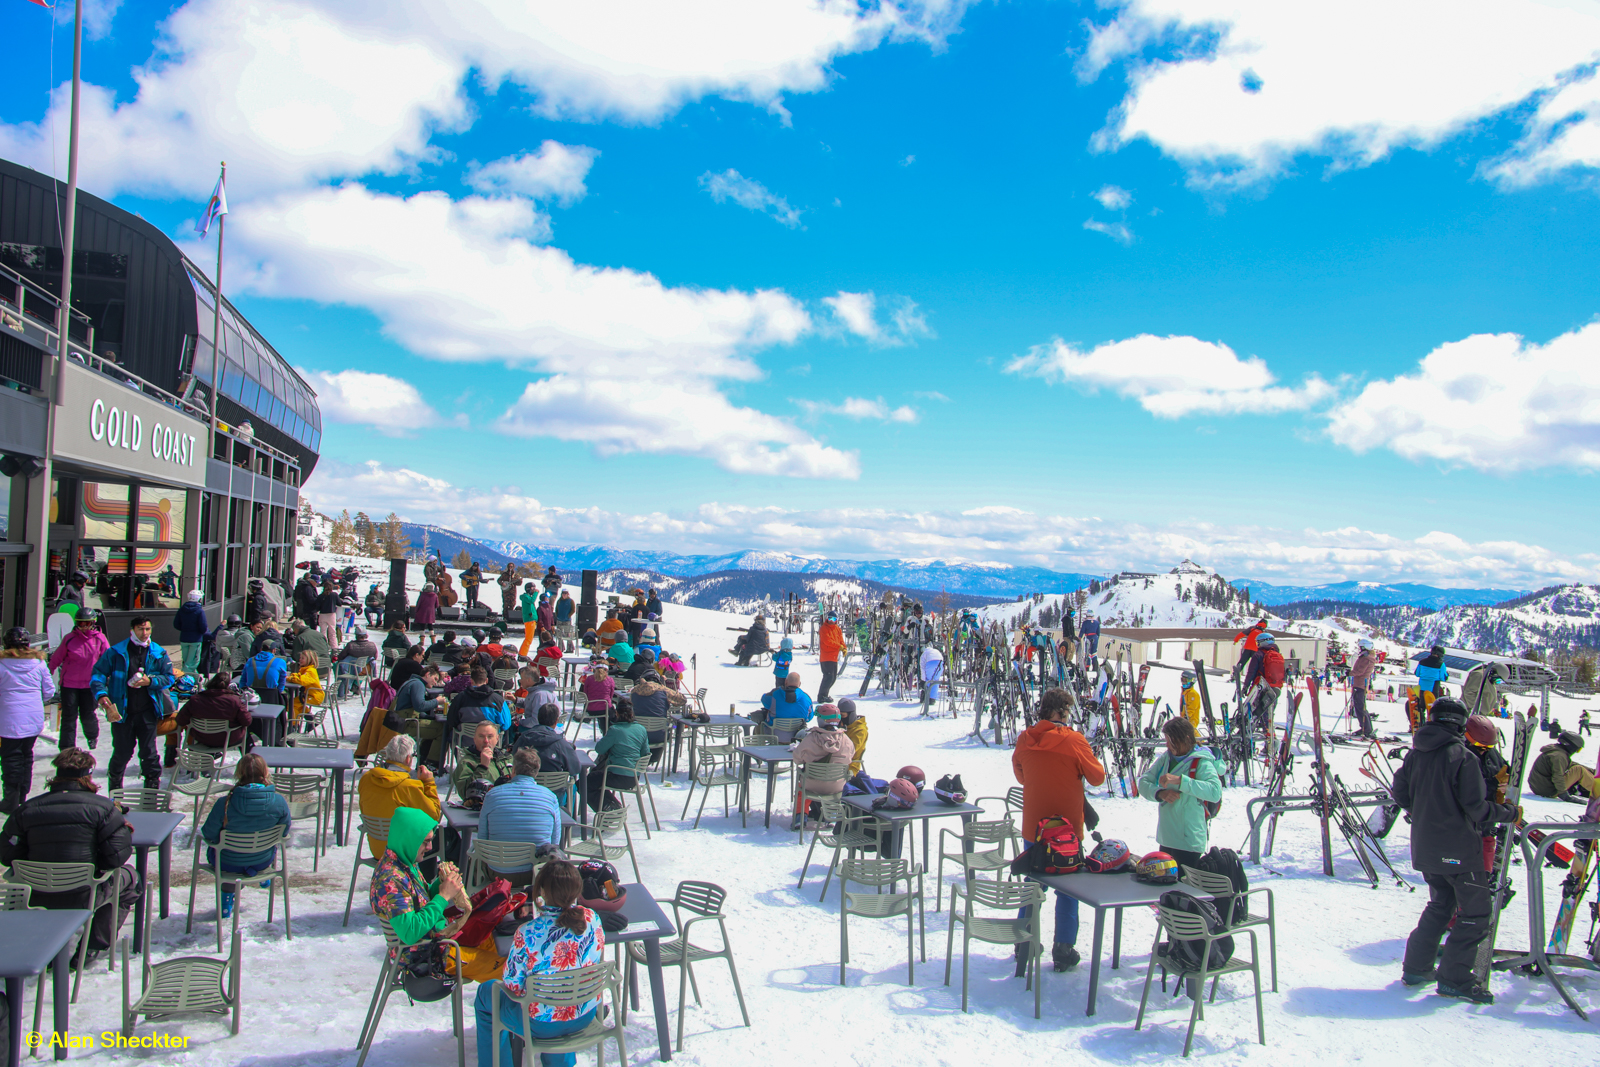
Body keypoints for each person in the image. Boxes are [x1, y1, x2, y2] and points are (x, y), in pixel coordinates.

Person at [1392, 697, 1518, 1003]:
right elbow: (1476, 808)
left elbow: (1400, 794)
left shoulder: (1415, 753)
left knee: (1440, 905)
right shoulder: (1461, 757)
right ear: (1461, 725)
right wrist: (1508, 813)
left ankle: (1417, 967)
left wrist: (1425, 814)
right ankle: (1455, 979)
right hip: (1461, 849)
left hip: (1426, 846)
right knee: (1476, 913)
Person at [0, 748, 141, 955]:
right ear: (88, 776)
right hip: (83, 893)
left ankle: (40, 949)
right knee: (131, 878)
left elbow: (7, 854)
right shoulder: (104, 809)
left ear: (57, 775)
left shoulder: (26, 809)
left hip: (34, 894)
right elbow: (115, 858)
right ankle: (92, 948)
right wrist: (124, 833)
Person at [475, 859, 604, 1067]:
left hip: (540, 1024)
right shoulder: (593, 919)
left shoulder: (528, 932)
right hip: (585, 1014)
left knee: (486, 993)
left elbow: (513, 986)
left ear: (541, 891)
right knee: (558, 996)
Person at [1012, 687, 1105, 973]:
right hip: (1066, 830)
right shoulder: (1073, 741)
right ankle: (1063, 948)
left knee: (1033, 887)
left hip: (1034, 829)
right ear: (1060, 712)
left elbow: (1020, 775)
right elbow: (1098, 777)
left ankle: (1023, 941)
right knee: (1068, 890)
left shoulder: (1025, 739)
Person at [370, 805, 503, 982]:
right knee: (507, 970)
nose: (430, 847)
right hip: (426, 955)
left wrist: (442, 884)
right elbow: (409, 933)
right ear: (409, 839)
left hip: (439, 939)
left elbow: (422, 901)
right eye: (425, 841)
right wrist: (443, 897)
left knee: (499, 945)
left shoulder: (405, 862)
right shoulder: (390, 880)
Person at [199, 753, 291, 918]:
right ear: (265, 773)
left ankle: (226, 901)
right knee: (268, 845)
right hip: (263, 859)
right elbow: (284, 831)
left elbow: (209, 833)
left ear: (239, 773)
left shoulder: (225, 803)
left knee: (222, 853)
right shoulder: (279, 802)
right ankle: (263, 875)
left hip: (228, 863)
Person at [92, 615, 175, 792]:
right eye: (140, 629)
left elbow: (168, 678)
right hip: (122, 712)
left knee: (149, 754)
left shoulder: (158, 652)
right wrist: (101, 694)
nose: (144, 633)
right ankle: (115, 793)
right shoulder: (116, 652)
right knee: (122, 753)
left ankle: (151, 794)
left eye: (147, 629)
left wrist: (150, 682)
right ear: (132, 630)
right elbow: (98, 674)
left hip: (147, 711)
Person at [1136, 717, 1221, 868]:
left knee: (1183, 888)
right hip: (1166, 838)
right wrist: (1160, 794)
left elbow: (1215, 792)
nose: (1167, 745)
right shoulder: (1167, 757)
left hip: (1188, 841)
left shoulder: (1202, 761)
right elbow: (1143, 782)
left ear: (1185, 739)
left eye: (1171, 740)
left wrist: (1181, 781)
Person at [359, 735, 442, 859]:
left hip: (376, 849)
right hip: (402, 852)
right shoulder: (409, 786)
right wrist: (429, 782)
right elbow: (435, 816)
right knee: (442, 837)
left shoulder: (366, 778)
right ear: (408, 759)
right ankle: (423, 878)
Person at [480, 748, 564, 870]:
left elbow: (483, 839)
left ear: (513, 770)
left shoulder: (492, 795)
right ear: (536, 772)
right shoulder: (551, 797)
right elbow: (554, 843)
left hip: (497, 872)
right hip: (535, 875)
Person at [0, 627, 55, 812]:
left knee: (10, 758)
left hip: (8, 718)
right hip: (33, 717)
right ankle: (23, 796)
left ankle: (10, 799)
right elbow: (49, 691)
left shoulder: (1, 664)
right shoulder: (39, 663)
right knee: (26, 755)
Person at [49, 609, 110, 752]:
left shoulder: (100, 639)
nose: (83, 627)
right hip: (69, 684)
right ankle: (66, 747)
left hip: (90, 685)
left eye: (87, 624)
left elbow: (108, 660)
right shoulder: (69, 638)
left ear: (93, 623)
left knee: (88, 714)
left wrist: (109, 678)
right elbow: (57, 658)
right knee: (68, 716)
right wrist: (47, 672)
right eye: (80, 624)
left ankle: (92, 736)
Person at [790, 704, 854, 829]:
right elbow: (850, 758)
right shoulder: (846, 740)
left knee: (802, 788)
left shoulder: (811, 739)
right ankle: (831, 817)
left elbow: (797, 759)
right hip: (836, 785)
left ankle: (800, 817)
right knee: (830, 783)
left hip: (812, 784)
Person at [589, 702, 649, 811]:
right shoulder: (641, 729)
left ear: (616, 713)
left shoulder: (615, 730)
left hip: (617, 776)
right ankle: (613, 805)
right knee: (595, 780)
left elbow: (599, 749)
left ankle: (611, 809)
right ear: (632, 714)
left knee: (585, 782)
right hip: (634, 777)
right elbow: (645, 753)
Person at [516, 705, 581, 803]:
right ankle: (568, 817)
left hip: (525, 793)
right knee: (573, 786)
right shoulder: (561, 744)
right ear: (556, 721)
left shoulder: (522, 739)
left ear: (538, 718)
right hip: (554, 796)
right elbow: (575, 769)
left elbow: (513, 761)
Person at [175, 671, 254, 751]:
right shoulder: (235, 701)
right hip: (228, 739)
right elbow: (247, 721)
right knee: (246, 734)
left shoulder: (195, 700)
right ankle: (249, 761)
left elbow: (180, 720)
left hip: (202, 738)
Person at [1241, 632, 1285, 755]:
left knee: (1252, 717)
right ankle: (1271, 742)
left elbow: (1251, 673)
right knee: (1268, 717)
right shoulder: (1278, 655)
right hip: (1274, 691)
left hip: (1260, 690)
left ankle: (1249, 745)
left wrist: (1245, 687)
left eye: (1258, 642)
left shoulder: (1258, 655)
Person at [1529, 731, 1594, 802]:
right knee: (1579, 770)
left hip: (1540, 787)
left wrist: (1594, 771)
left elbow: (1570, 764)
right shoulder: (1559, 756)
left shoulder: (1556, 751)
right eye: (1578, 750)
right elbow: (1558, 776)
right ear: (1571, 746)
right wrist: (1564, 795)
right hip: (1548, 791)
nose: (1576, 752)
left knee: (1577, 768)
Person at [453, 721, 513, 794]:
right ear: (474, 739)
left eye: (490, 736)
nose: (486, 741)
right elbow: (465, 793)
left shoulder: (507, 758)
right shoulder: (467, 762)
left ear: (497, 739)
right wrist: (483, 767)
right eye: (481, 736)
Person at [286, 650, 324, 731]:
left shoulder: (310, 671)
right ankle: (310, 719)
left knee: (291, 705)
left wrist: (291, 678)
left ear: (309, 659)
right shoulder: (306, 669)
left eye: (302, 658)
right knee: (296, 704)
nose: (300, 659)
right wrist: (293, 675)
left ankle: (293, 726)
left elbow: (302, 681)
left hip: (314, 697)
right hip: (310, 695)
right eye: (300, 658)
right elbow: (300, 676)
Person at [174, 589, 210, 675]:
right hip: (196, 639)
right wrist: (201, 632)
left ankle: (189, 676)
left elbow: (176, 624)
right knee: (192, 662)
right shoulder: (200, 611)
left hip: (184, 638)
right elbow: (203, 626)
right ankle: (187, 679)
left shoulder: (182, 609)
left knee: (186, 659)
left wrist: (184, 629)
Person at [1350, 638, 1379, 738]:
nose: (1360, 649)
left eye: (1361, 647)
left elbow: (1360, 671)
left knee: (1360, 707)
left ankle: (1366, 729)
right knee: (1359, 707)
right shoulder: (1366, 657)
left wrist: (1349, 673)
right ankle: (1365, 728)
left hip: (1360, 684)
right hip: (1360, 684)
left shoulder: (1366, 658)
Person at [838, 698, 868, 775]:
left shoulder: (860, 731)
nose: (840, 719)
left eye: (843, 715)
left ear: (851, 715)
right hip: (836, 764)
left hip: (850, 767)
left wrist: (841, 734)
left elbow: (849, 751)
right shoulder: (844, 725)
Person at [918, 641, 944, 716]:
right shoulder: (935, 650)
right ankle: (932, 699)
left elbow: (922, 669)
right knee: (935, 681)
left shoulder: (923, 655)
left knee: (928, 680)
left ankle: (926, 697)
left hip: (930, 662)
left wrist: (923, 681)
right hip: (940, 662)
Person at [316, 578, 341, 649]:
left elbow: (317, 606)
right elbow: (339, 603)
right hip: (332, 615)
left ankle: (323, 647)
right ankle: (334, 648)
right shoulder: (334, 595)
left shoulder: (320, 596)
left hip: (323, 614)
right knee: (332, 633)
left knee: (323, 632)